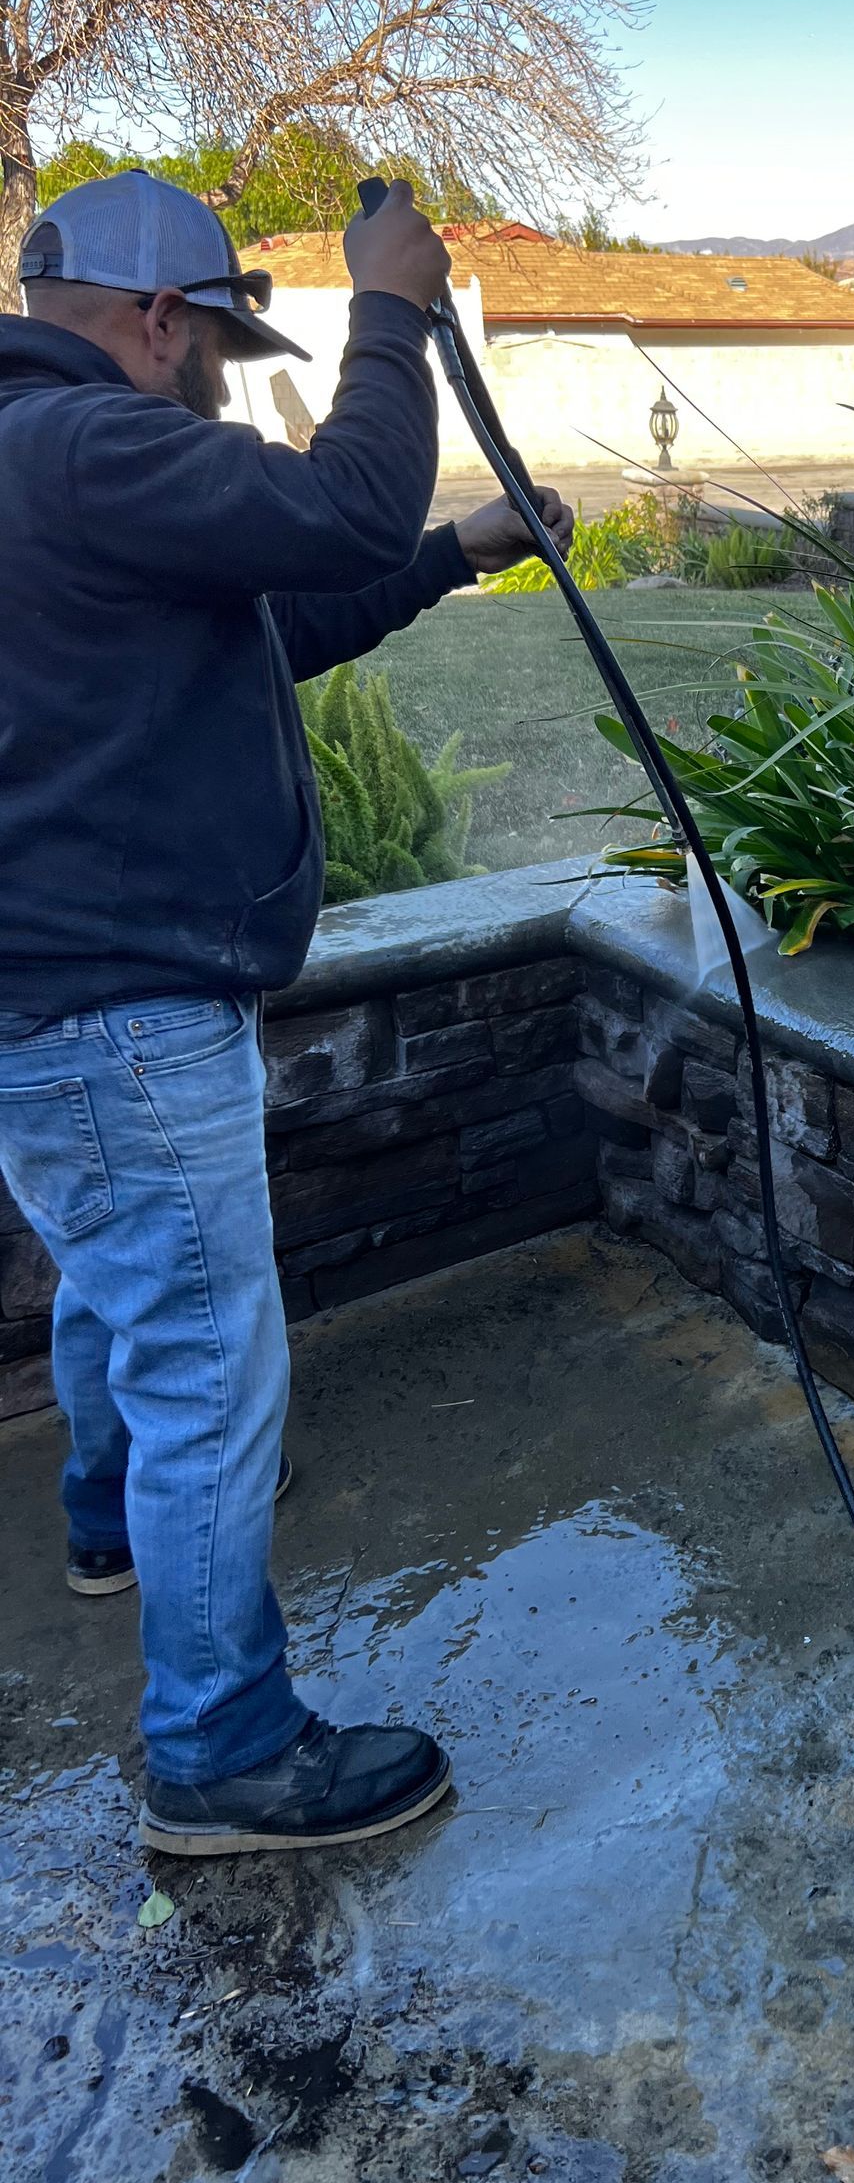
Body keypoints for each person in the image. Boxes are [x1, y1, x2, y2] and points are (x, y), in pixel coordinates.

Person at [0, 168, 573, 1858]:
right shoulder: (93, 445)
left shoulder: (44, 466)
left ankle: (111, 1525)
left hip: (61, 1005)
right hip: (119, 1008)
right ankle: (224, 1751)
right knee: (205, 1369)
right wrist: (389, 308)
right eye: (219, 348)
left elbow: (286, 606)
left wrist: (457, 554)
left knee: (123, 1305)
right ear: (161, 320)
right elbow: (321, 513)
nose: (225, 379)